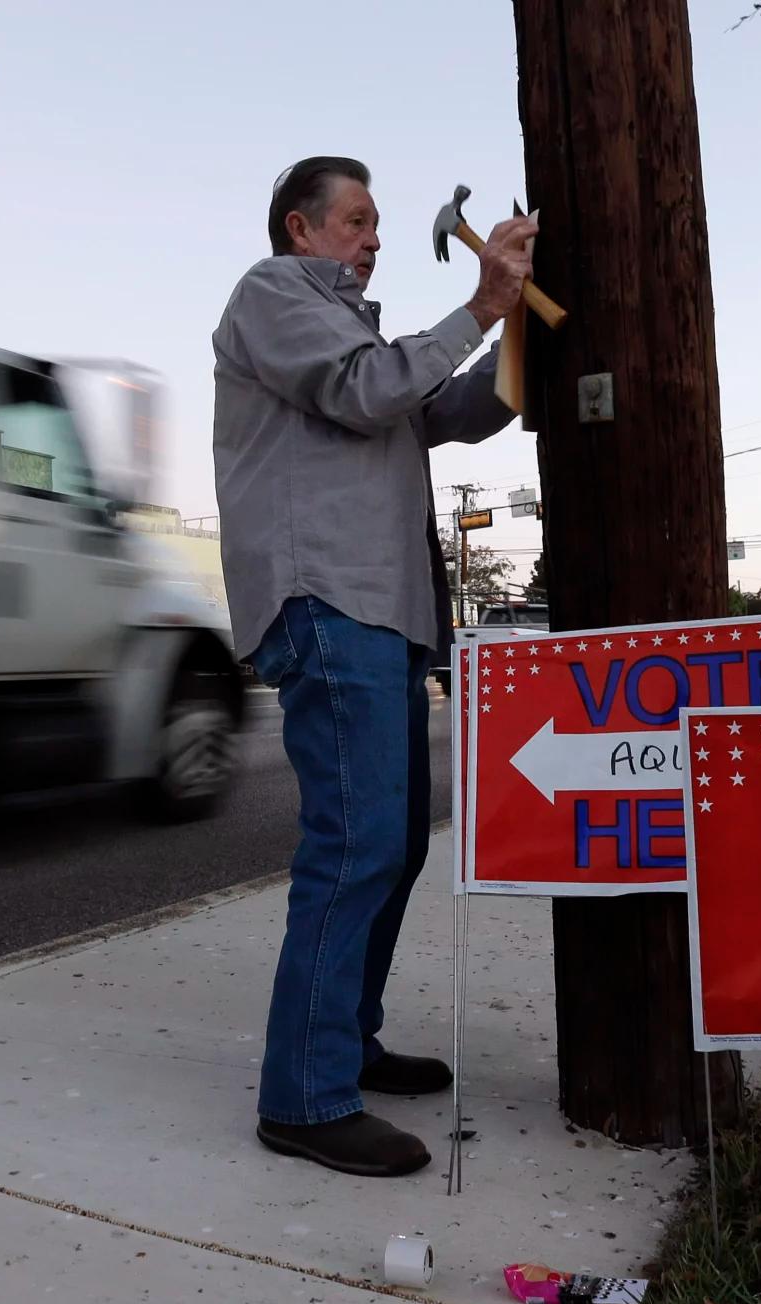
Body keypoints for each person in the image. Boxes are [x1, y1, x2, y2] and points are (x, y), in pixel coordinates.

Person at [211, 155, 536, 1176]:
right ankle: (302, 1098)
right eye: (355, 219)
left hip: (381, 611)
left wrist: (512, 329)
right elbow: (365, 392)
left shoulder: (356, 328)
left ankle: (344, 1043)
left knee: (391, 845)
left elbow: (437, 410)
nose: (374, 235)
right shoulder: (273, 292)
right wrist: (480, 303)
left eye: (377, 221)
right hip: (328, 599)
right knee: (354, 845)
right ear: (300, 229)